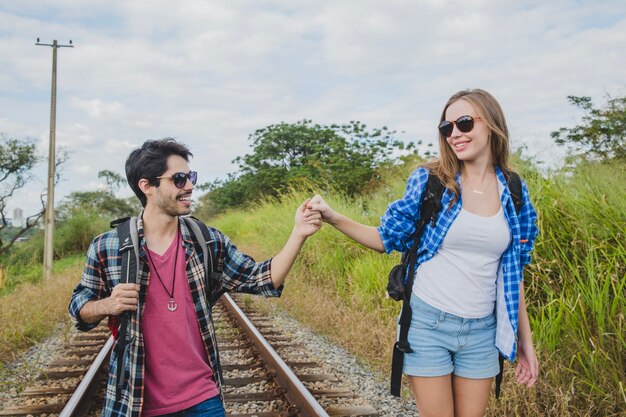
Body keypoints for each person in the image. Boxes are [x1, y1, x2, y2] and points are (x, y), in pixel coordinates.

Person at [307, 89, 539, 417]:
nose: (455, 134)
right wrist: (332, 216)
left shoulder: (515, 191)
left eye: (464, 123)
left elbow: (515, 276)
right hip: (428, 324)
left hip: (483, 332)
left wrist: (524, 343)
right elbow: (385, 238)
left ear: (491, 124)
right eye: (447, 128)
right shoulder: (432, 181)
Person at [69, 138, 322, 417]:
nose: (189, 185)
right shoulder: (108, 246)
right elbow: (79, 307)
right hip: (134, 402)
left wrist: (298, 234)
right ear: (147, 186)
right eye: (178, 179)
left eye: (190, 177)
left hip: (203, 399)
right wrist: (107, 306)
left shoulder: (207, 240)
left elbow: (263, 278)